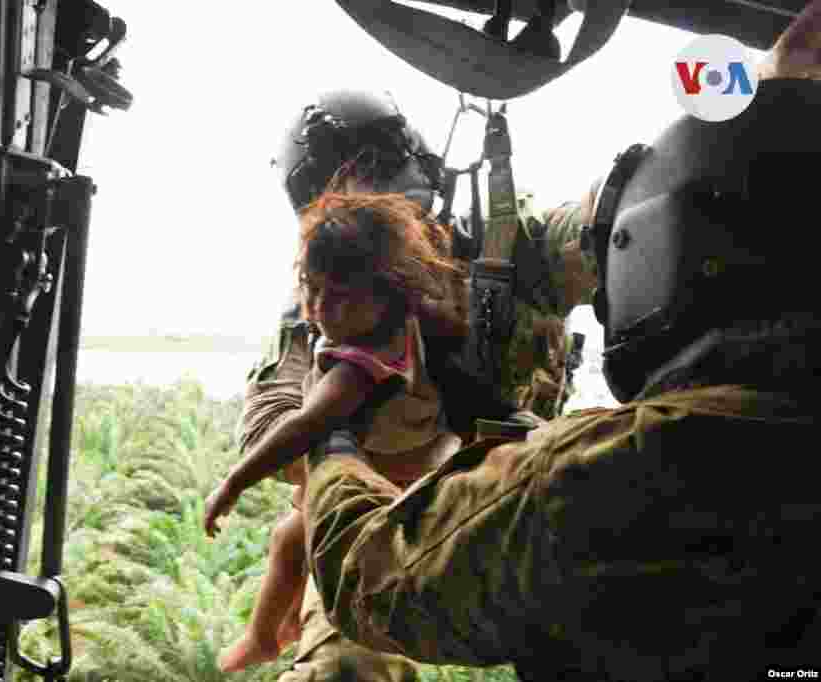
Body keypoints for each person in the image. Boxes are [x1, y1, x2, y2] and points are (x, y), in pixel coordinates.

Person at [297, 15, 821, 680]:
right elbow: (659, 210)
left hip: (481, 500)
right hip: (392, 504)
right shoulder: (314, 331)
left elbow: (641, 207)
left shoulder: (507, 253)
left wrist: (758, 87)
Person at [234, 88, 599, 682]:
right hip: (375, 510)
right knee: (345, 670)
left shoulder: (503, 246)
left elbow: (593, 234)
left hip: (516, 482)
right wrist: (339, 429)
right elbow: (268, 419)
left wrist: (627, 218)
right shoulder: (323, 313)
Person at [206, 191, 466, 672]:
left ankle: (264, 637)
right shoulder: (407, 325)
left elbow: (306, 425)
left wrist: (233, 482)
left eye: (341, 296)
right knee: (289, 536)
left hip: (380, 478)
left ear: (389, 293)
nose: (321, 307)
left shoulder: (356, 369)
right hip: (410, 462)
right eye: (311, 288)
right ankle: (270, 633)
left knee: (289, 540)